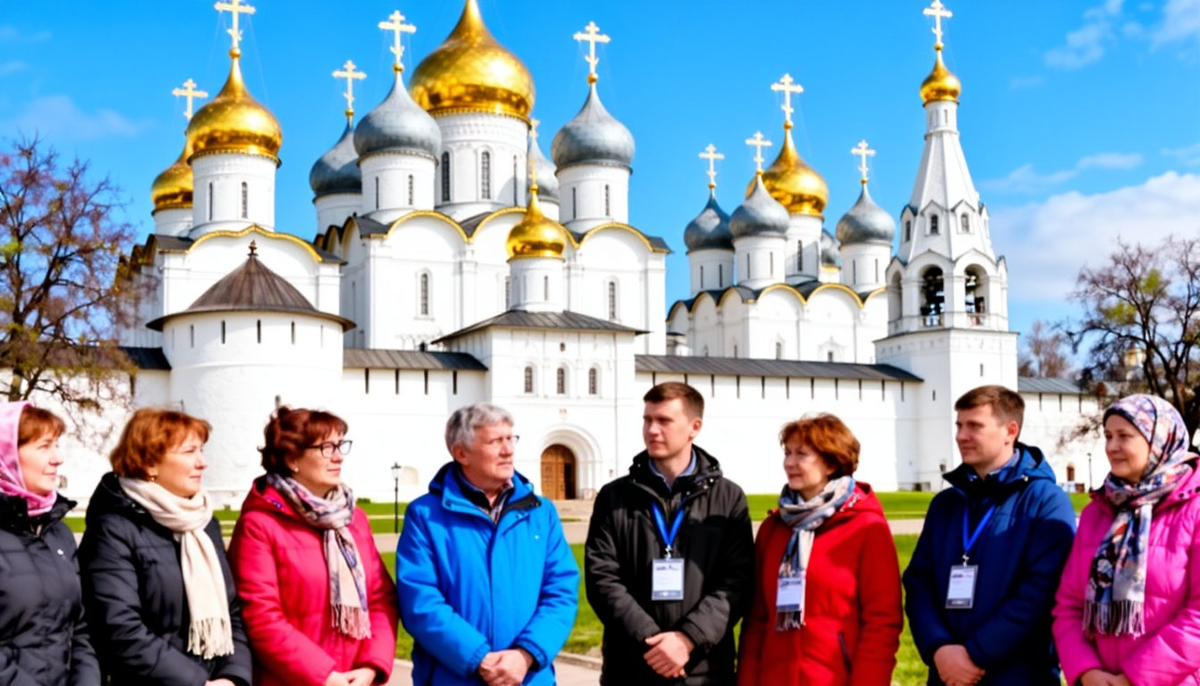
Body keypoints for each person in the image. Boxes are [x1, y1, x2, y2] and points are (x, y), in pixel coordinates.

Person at [903, 385, 1076, 685]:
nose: (961, 435)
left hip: (1019, 675)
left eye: (974, 426)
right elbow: (919, 583)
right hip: (947, 674)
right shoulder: (946, 503)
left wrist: (976, 654)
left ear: (1010, 431)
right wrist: (940, 648)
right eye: (959, 425)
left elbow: (1040, 591)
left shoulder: (1046, 501)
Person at [395, 403, 579, 686]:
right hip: (454, 678)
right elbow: (421, 601)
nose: (508, 450)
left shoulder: (541, 512)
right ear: (461, 453)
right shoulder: (426, 516)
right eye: (495, 441)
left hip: (529, 678)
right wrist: (477, 658)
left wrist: (525, 654)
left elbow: (561, 591)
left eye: (510, 439)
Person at [585, 382, 754, 685]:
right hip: (631, 668)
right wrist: (654, 643)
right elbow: (602, 578)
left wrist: (688, 639)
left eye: (664, 421)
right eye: (647, 420)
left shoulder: (728, 499)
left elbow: (736, 582)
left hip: (704, 670)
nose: (652, 429)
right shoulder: (615, 497)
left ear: (694, 427)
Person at [79, 407, 251, 686]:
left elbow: (231, 612)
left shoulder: (205, 524)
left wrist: (233, 677)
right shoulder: (113, 530)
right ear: (150, 464)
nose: (202, 463)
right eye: (188, 452)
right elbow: (120, 627)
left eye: (201, 450)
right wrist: (196, 683)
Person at [228, 407, 397, 686]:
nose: (338, 456)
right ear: (293, 458)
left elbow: (381, 598)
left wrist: (370, 666)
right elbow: (261, 617)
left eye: (340, 445)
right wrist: (325, 676)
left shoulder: (354, 519)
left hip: (357, 679)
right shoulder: (258, 525)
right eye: (326, 447)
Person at [737, 413, 903, 685]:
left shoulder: (866, 528)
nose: (789, 463)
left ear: (830, 462)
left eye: (801, 454)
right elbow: (757, 619)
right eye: (787, 453)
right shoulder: (773, 529)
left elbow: (882, 624)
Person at [1053, 394, 1200, 686]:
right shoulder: (1098, 511)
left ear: (1159, 442)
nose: (1111, 447)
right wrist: (1086, 671)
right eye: (1107, 436)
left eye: (1124, 436)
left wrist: (1133, 678)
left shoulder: (1194, 510)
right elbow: (1068, 606)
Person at [0, 402, 100, 686]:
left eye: (57, 445)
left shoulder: (59, 534)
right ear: (7, 456)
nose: (58, 458)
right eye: (44, 447)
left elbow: (79, 629)